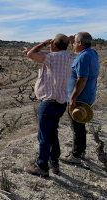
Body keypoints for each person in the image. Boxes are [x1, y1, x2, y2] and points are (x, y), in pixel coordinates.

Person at [23, 34, 73, 177]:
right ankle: (54, 162)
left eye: (51, 43)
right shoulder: (69, 57)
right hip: (61, 103)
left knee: (44, 135)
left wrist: (43, 43)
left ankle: (42, 166)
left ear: (53, 45)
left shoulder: (51, 57)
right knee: (53, 133)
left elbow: (31, 54)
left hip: (49, 103)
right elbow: (35, 54)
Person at [62, 32, 100, 164]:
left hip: (80, 98)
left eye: (74, 42)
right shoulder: (93, 53)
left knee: (77, 126)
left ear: (80, 44)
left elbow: (82, 79)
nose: (72, 44)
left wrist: (73, 98)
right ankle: (81, 151)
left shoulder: (83, 57)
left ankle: (76, 155)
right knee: (80, 125)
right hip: (88, 95)